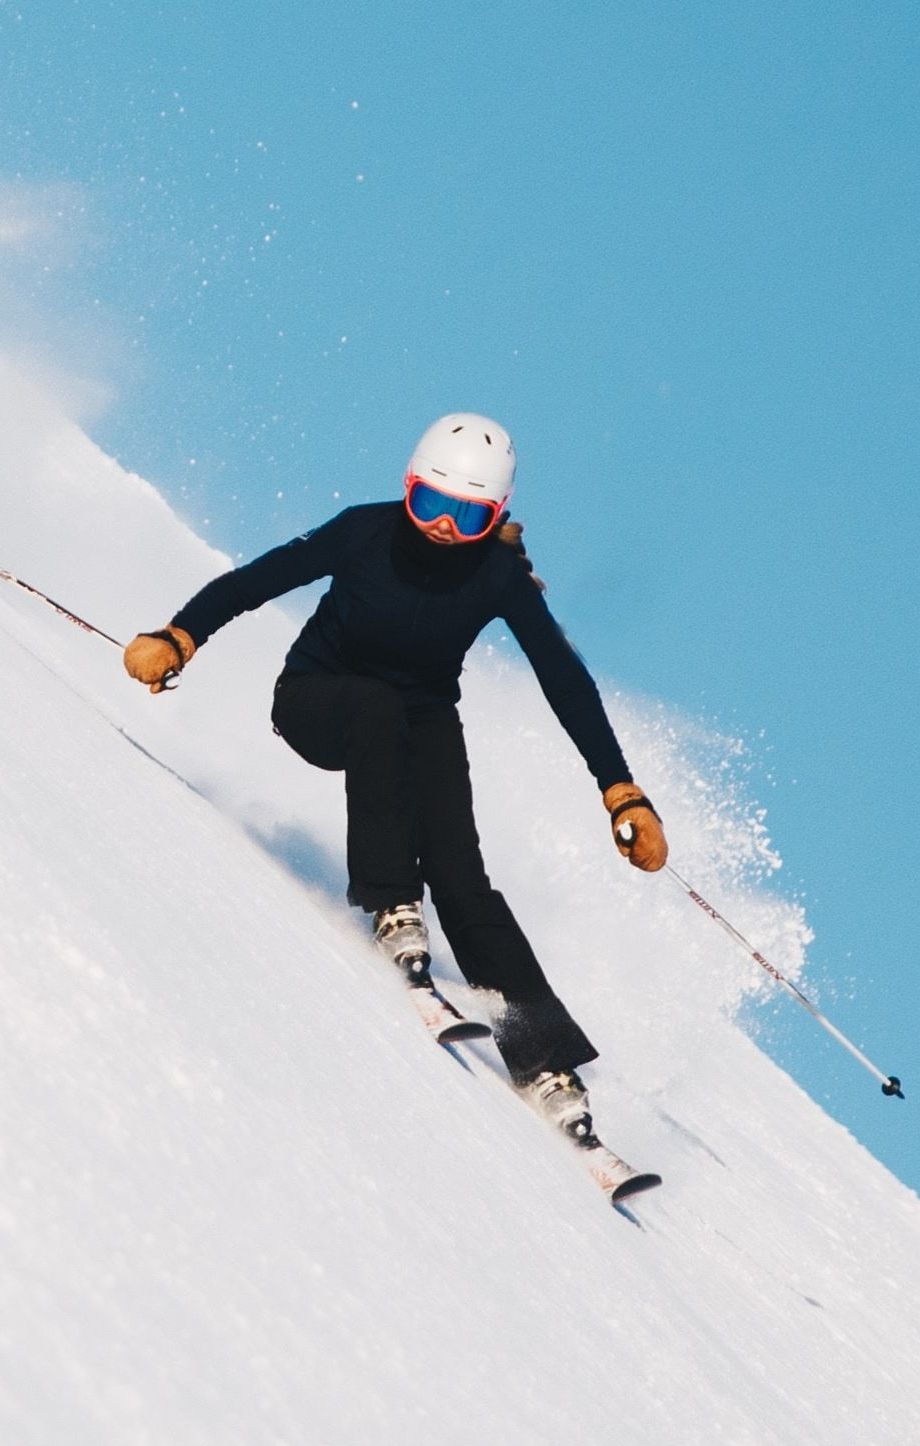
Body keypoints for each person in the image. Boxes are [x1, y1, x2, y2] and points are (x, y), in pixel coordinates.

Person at [122, 413, 667, 1143]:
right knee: (377, 707)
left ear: (496, 516)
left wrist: (620, 788)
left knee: (463, 873)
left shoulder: (496, 576)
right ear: (406, 490)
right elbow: (259, 579)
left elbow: (563, 679)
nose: (443, 526)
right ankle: (391, 901)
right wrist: (180, 635)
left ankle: (544, 1061)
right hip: (319, 698)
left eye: (467, 514)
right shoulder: (364, 532)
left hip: (420, 719)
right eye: (430, 503)